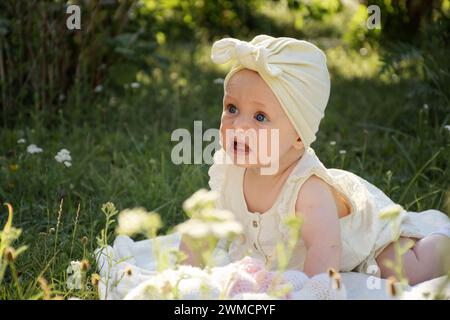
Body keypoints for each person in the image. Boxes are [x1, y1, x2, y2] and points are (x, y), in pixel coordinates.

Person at [179, 35, 450, 285]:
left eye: (260, 117)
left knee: (406, 269)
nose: (238, 125)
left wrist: (308, 291)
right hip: (292, 252)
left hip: (365, 233)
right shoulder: (230, 172)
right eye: (232, 108)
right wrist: (184, 276)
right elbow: (202, 230)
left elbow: (325, 248)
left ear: (299, 136)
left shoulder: (307, 190)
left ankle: (439, 243)